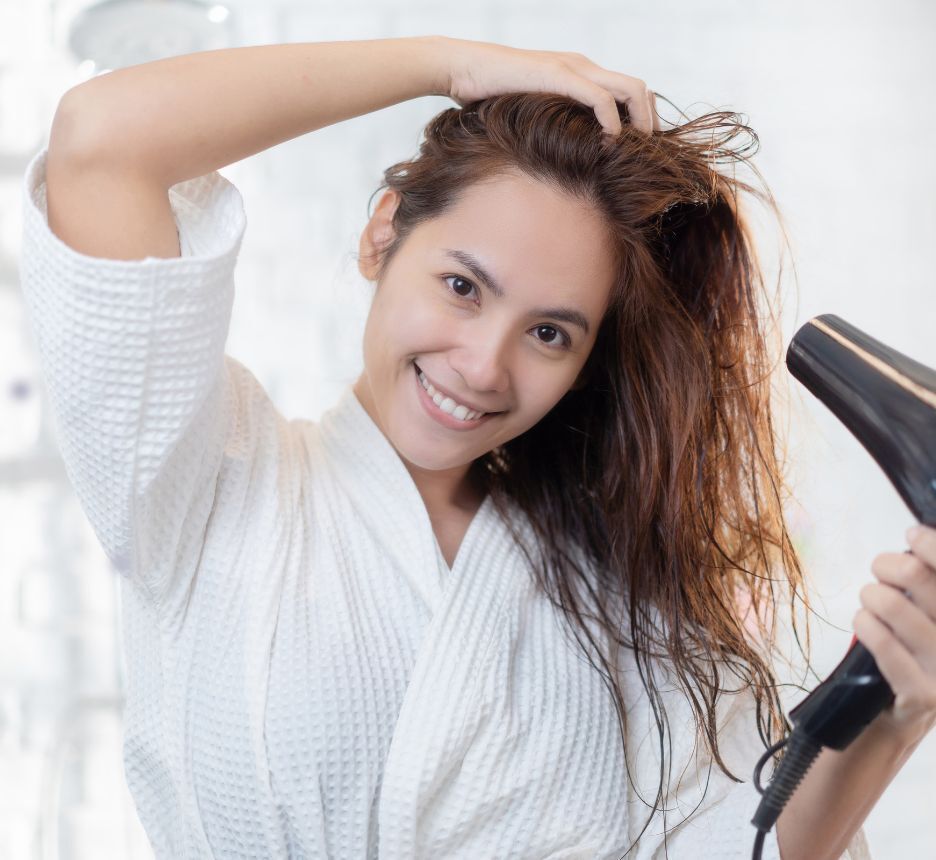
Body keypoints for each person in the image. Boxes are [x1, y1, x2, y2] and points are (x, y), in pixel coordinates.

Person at [18, 34, 935, 860]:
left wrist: (898, 708)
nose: (485, 367)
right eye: (462, 286)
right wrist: (444, 68)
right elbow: (102, 141)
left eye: (550, 334)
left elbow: (750, 847)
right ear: (385, 233)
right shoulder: (207, 478)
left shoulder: (624, 605)